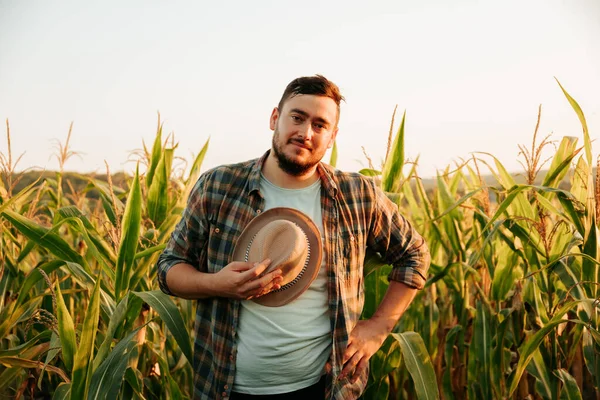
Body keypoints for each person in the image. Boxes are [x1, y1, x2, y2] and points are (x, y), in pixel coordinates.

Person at [156, 75, 430, 400]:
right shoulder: (218, 186)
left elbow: (414, 253)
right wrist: (218, 284)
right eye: (297, 118)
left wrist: (380, 326)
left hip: (325, 388)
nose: (305, 133)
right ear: (275, 118)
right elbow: (169, 268)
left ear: (332, 137)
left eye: (320, 125)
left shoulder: (358, 196)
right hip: (224, 387)